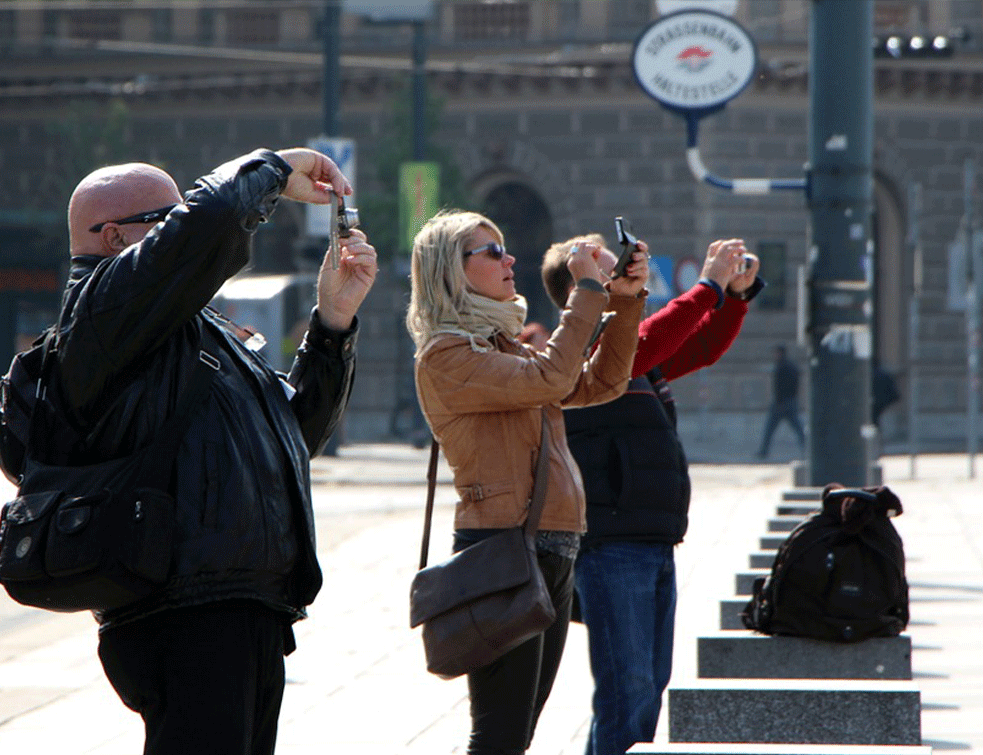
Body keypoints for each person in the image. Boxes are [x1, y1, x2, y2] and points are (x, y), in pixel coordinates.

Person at [2, 147, 377, 755]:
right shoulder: (100, 313)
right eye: (167, 219)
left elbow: (290, 439)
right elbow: (208, 224)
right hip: (183, 612)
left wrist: (332, 324)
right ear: (117, 238)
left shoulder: (197, 332)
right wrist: (275, 169)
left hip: (242, 607)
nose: (183, 228)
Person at [407, 210, 648, 755]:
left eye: (505, 247)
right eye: (491, 252)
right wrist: (588, 289)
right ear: (451, 269)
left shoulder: (501, 346)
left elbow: (601, 384)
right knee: (499, 735)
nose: (509, 258)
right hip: (502, 547)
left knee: (519, 730)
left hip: (553, 544)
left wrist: (627, 301)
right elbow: (554, 377)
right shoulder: (446, 356)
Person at [541, 233, 763, 755]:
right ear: (578, 283)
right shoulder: (584, 349)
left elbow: (700, 345)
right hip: (612, 542)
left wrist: (733, 297)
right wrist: (708, 285)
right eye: (596, 255)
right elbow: (652, 341)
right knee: (628, 690)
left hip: (652, 538)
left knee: (647, 685)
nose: (616, 258)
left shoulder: (625, 344)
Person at [757, 343, 806, 459]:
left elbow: (780, 387)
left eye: (775, 353)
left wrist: (780, 401)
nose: (774, 355)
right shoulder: (791, 366)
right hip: (790, 401)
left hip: (781, 403)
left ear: (780, 353)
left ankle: (764, 451)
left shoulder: (781, 367)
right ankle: (806, 447)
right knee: (797, 427)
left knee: (770, 428)